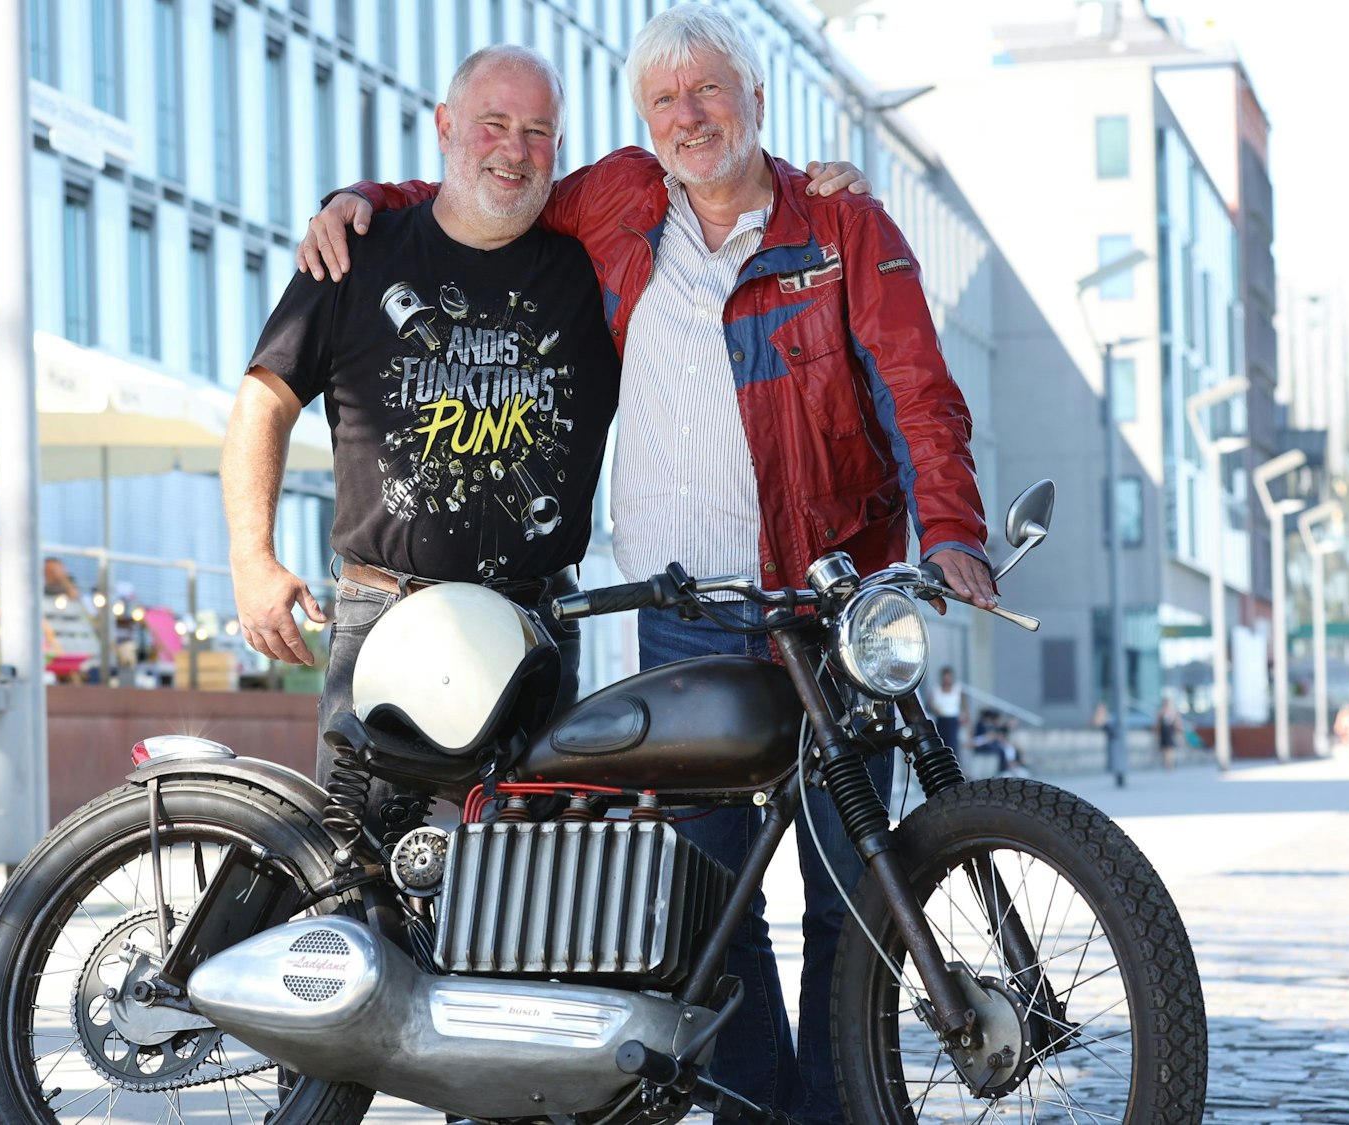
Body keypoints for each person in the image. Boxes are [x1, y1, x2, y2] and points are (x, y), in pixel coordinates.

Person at [300, 10, 988, 1123]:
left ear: (756, 99)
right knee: (707, 903)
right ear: (641, 122)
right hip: (687, 619)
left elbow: (917, 387)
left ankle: (838, 1110)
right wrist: (363, 202)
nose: (688, 116)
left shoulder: (840, 224)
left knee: (850, 892)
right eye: (664, 100)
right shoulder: (620, 198)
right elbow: (490, 186)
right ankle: (760, 1112)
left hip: (824, 602)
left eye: (708, 91)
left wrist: (949, 529)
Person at [224, 45, 629, 838]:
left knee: (533, 885)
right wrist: (251, 559)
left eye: (538, 131)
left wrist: (820, 198)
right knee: (355, 871)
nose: (515, 149)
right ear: (445, 127)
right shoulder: (356, 253)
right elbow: (262, 402)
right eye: (493, 124)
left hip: (535, 623)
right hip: (384, 616)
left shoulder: (596, 272)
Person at [927, 665, 967, 754]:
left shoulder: (957, 689)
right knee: (941, 743)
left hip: (953, 721)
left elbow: (964, 706)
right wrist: (935, 709)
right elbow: (929, 705)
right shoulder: (936, 690)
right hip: (941, 719)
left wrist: (964, 716)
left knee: (953, 745)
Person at [1156, 697, 1182, 770]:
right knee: (1164, 749)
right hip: (1163, 732)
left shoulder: (1173, 712)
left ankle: (1170, 763)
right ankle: (1167, 763)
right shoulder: (1161, 712)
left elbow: (1177, 723)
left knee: (1170, 749)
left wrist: (1179, 732)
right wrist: (1156, 732)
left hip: (1170, 732)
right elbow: (1158, 724)